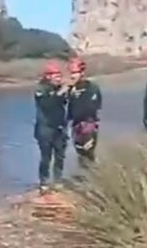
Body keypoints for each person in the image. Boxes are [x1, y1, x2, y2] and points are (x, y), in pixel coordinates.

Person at [34, 60, 69, 193]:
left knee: (60, 155)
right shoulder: (41, 89)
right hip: (45, 129)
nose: (59, 79)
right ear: (48, 76)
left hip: (59, 127)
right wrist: (60, 93)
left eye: (60, 76)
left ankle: (58, 180)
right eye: (56, 76)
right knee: (46, 157)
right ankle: (44, 182)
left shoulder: (58, 88)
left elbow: (64, 103)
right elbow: (47, 104)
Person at [66, 57, 102, 168]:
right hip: (76, 126)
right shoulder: (71, 89)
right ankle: (84, 180)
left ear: (82, 73)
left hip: (88, 124)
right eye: (71, 73)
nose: (72, 76)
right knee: (80, 154)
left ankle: (98, 175)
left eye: (75, 73)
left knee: (89, 153)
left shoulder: (91, 87)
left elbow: (93, 107)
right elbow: (70, 109)